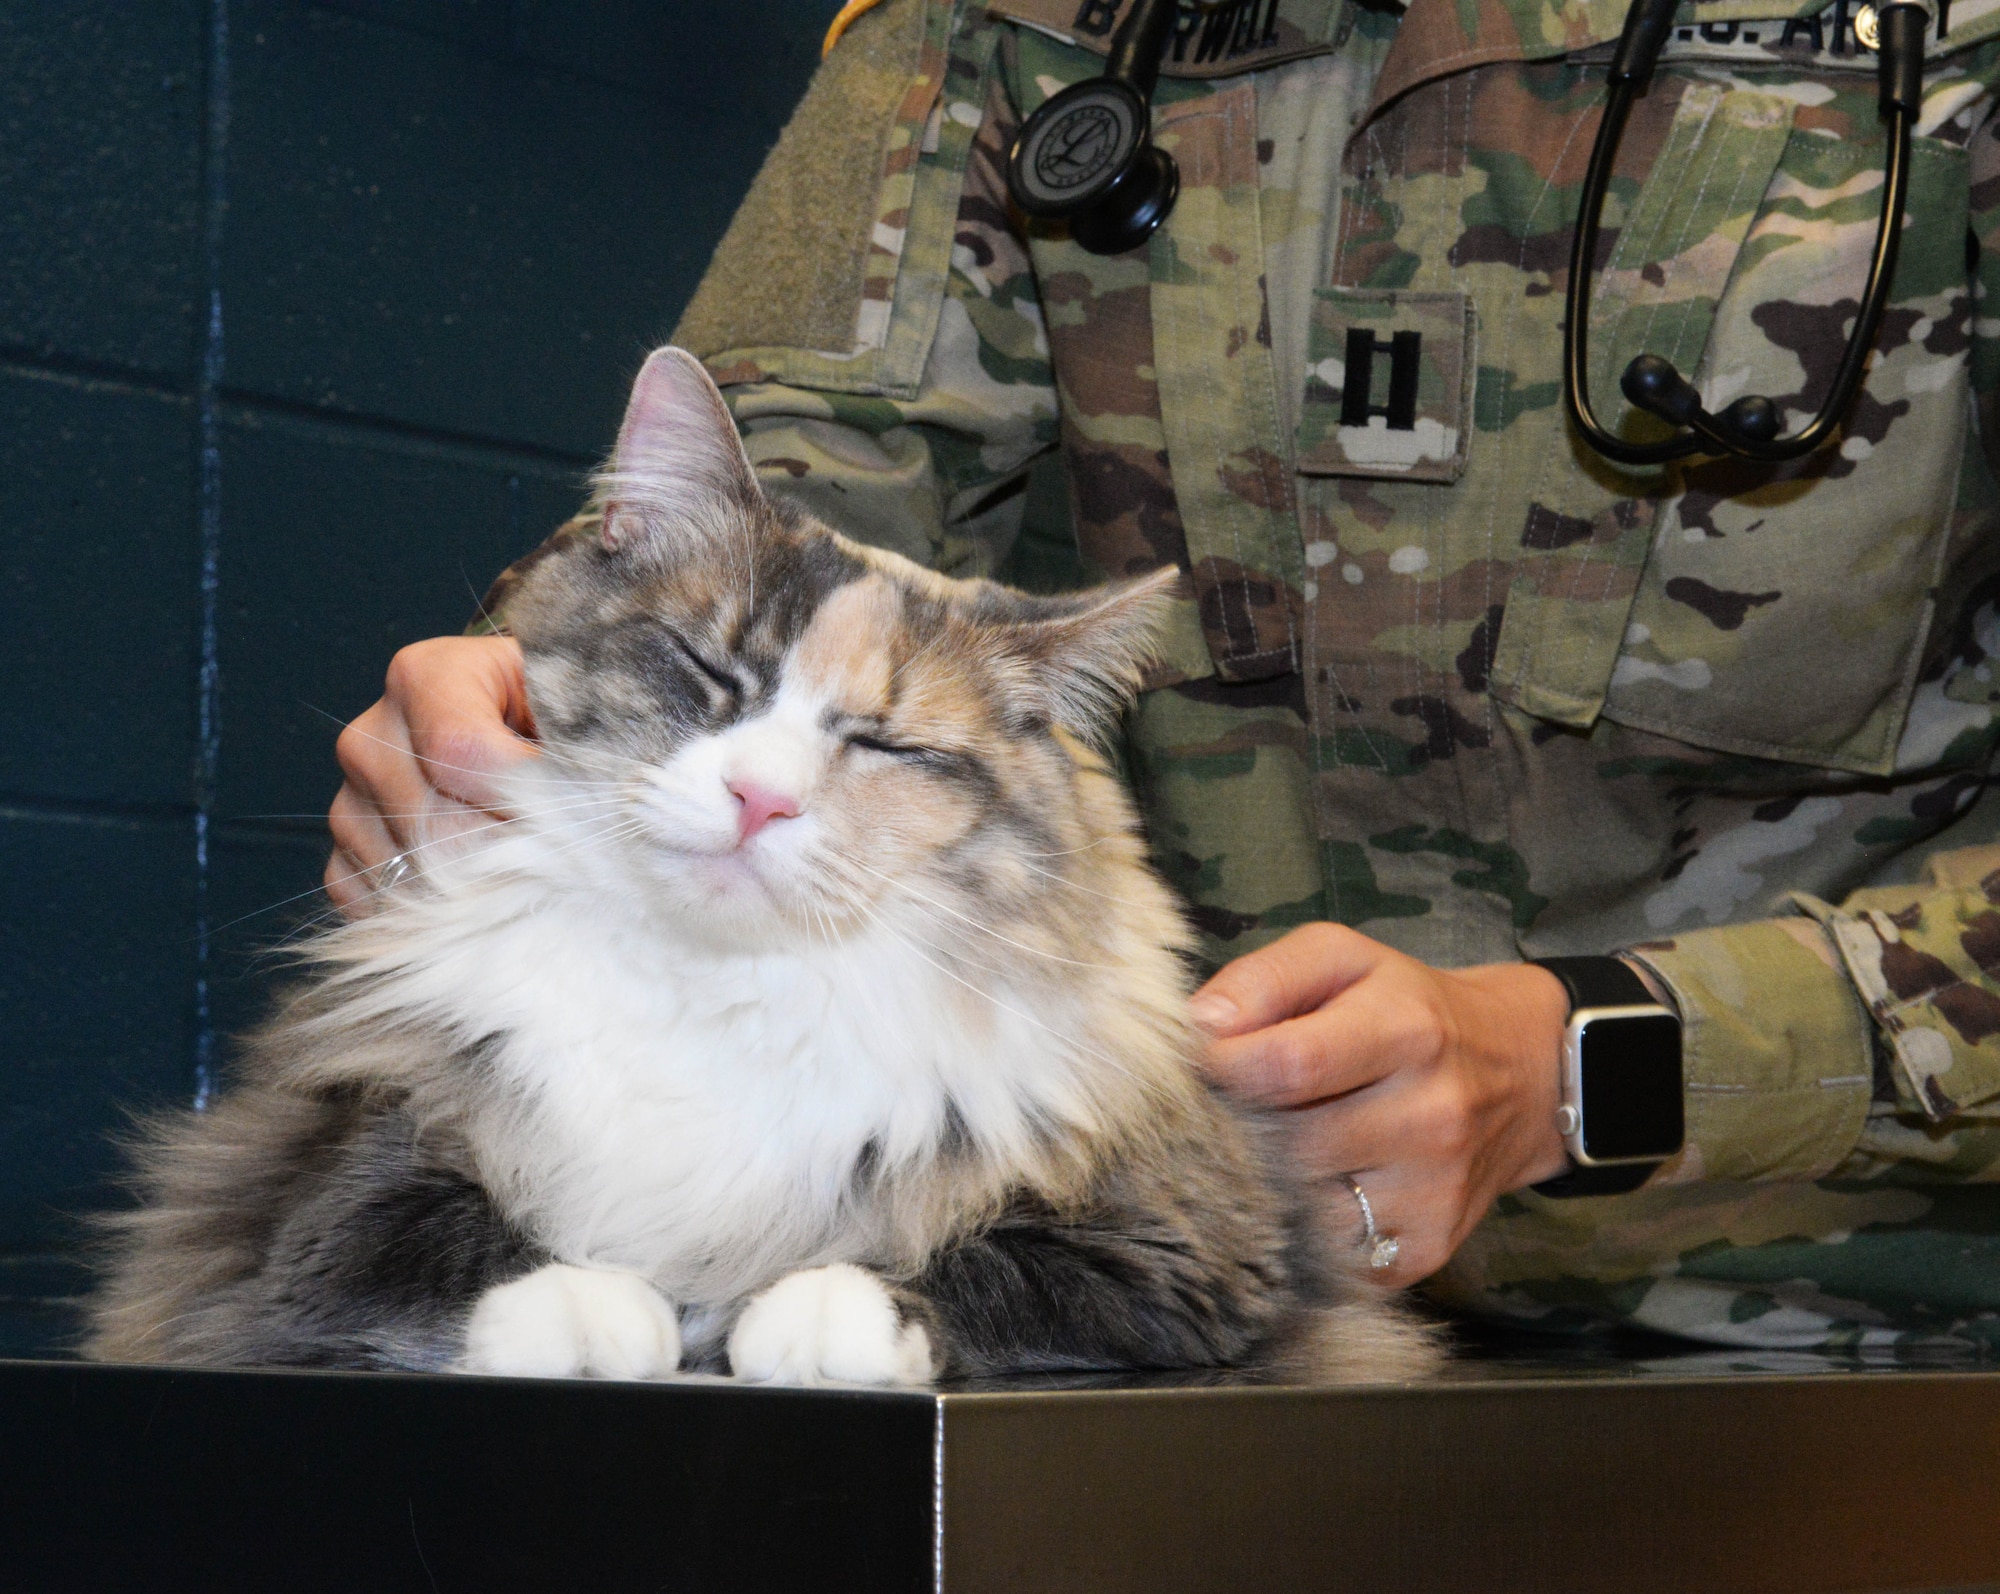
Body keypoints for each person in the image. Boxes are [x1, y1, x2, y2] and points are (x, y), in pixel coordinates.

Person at [327, 0, 2000, 1351]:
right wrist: (538, 699)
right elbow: (768, 509)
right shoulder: (1000, 26)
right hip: (1067, 1320)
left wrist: (1597, 1061)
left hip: (1841, 1346)